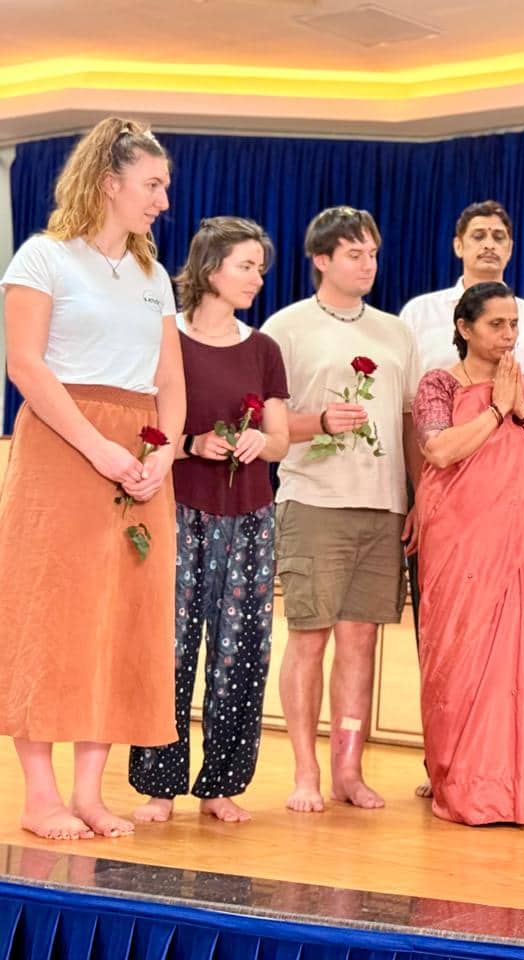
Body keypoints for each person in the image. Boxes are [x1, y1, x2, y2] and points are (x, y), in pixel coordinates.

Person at [0, 117, 182, 839]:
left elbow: (170, 379)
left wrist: (163, 451)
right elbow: (25, 365)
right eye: (152, 185)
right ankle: (40, 796)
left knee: (122, 615)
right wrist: (97, 447)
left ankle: (87, 793)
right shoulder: (44, 258)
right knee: (52, 611)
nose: (163, 200)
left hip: (141, 453)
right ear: (109, 184)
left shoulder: (153, 276)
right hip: (63, 446)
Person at [129, 217, 290, 824]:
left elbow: (280, 440)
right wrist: (192, 444)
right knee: (169, 648)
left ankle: (221, 785)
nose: (256, 279)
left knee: (242, 651)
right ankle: (159, 785)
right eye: (246, 266)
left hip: (250, 518)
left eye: (260, 269)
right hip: (177, 511)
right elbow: (142, 431)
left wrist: (260, 442)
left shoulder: (263, 349)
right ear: (209, 268)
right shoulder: (164, 339)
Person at [261, 207, 422, 813]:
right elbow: (269, 423)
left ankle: (348, 771)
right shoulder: (286, 328)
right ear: (321, 259)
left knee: (361, 644)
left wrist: (416, 496)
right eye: (355, 254)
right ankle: (305, 771)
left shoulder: (395, 331)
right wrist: (321, 422)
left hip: (383, 506)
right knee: (309, 638)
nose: (368, 264)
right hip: (314, 501)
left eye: (373, 254)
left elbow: (407, 419)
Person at [411, 282, 524, 825]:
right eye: (496, 324)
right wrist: (495, 410)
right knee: (455, 662)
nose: (508, 334)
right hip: (456, 547)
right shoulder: (439, 383)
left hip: (512, 552)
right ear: (464, 328)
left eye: (513, 324)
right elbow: (439, 449)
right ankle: (457, 781)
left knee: (506, 667)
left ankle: (508, 788)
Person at [401, 200, 524, 374]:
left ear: (510, 249)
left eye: (498, 237)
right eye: (478, 236)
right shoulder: (419, 313)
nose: (489, 245)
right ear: (458, 246)